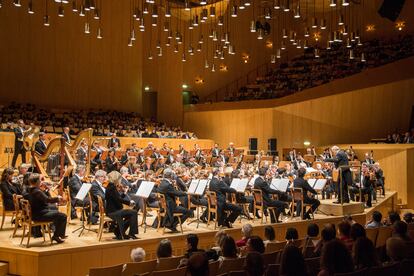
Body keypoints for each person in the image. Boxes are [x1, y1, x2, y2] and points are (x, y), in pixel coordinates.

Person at [25, 173, 67, 243]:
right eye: (40, 180)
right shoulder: (37, 191)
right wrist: (58, 198)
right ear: (37, 182)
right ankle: (57, 235)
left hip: (36, 214)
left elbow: (44, 198)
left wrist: (46, 189)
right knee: (63, 216)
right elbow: (48, 200)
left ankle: (57, 234)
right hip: (40, 215)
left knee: (57, 213)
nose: (41, 181)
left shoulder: (31, 189)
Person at [104, 171, 138, 240]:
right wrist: (129, 202)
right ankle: (131, 234)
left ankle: (118, 232)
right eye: (119, 179)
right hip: (113, 212)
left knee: (131, 214)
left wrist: (124, 193)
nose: (120, 180)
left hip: (112, 210)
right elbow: (119, 200)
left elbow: (117, 198)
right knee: (133, 212)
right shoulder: (112, 187)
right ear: (116, 178)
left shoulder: (111, 186)